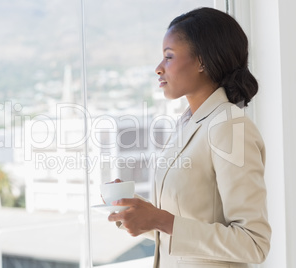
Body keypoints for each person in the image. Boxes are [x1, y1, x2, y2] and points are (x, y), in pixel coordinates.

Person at [107, 7, 271, 268]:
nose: (158, 68)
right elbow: (186, 230)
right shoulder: (188, 123)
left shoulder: (229, 125)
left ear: (202, 61)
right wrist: (140, 214)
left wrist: (161, 220)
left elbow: (254, 243)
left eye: (168, 57)